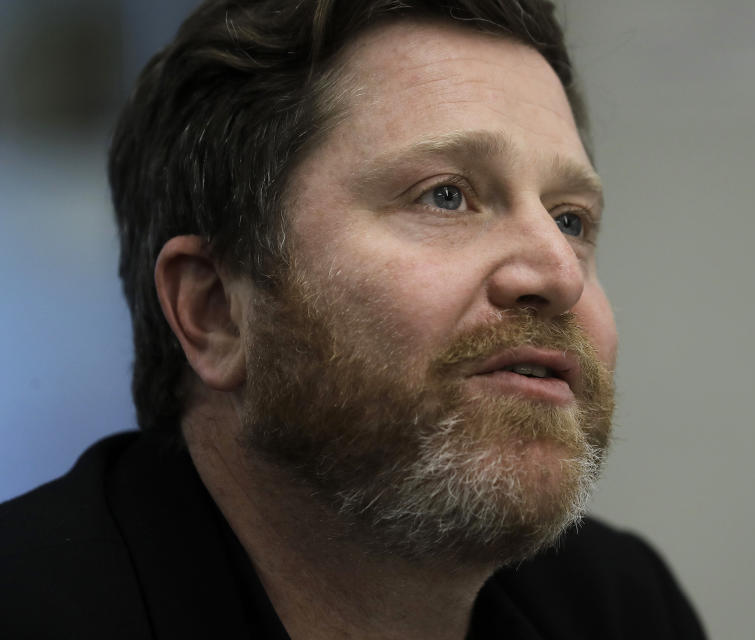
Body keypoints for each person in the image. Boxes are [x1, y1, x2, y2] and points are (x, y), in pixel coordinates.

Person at [0, 1, 707, 638]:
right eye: (447, 196)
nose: (559, 274)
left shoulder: (621, 608)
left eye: (571, 219)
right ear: (215, 312)